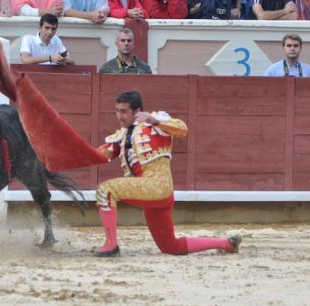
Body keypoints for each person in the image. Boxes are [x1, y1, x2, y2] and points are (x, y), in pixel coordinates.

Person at [93, 90, 242, 257]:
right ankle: (226, 244)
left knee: (105, 190)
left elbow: (182, 129)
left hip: (157, 186)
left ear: (137, 111)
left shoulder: (155, 123)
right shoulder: (121, 135)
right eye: (117, 111)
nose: (119, 116)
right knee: (171, 247)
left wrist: (155, 121)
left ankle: (111, 245)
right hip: (154, 195)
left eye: (124, 111)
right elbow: (97, 155)